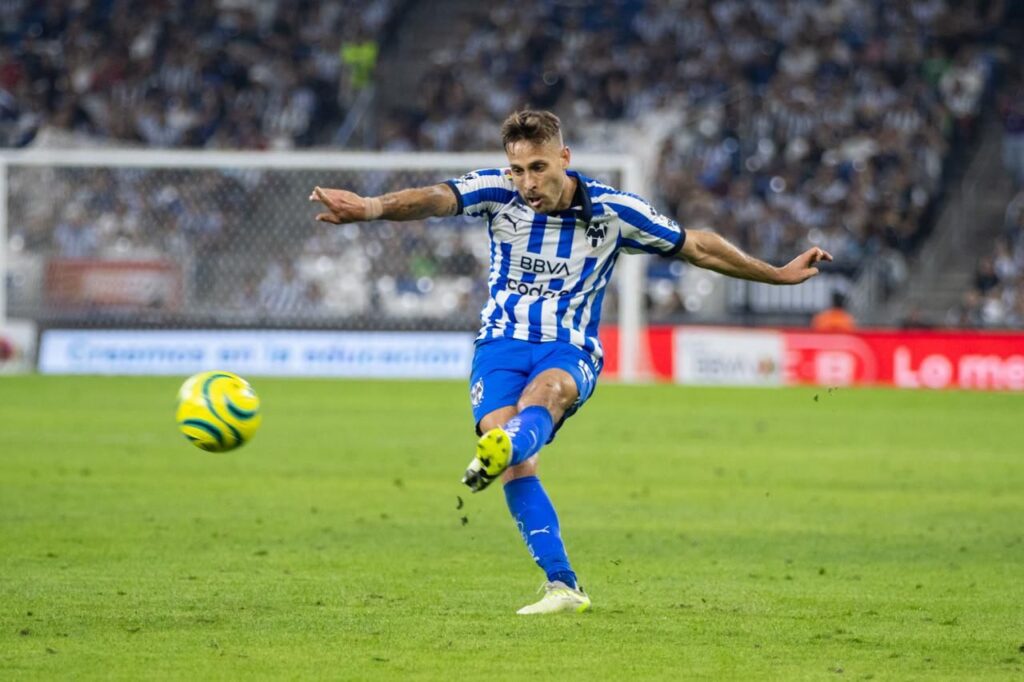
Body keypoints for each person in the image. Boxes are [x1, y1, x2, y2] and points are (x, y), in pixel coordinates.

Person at [309, 110, 832, 615]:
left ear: (564, 157)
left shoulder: (614, 210)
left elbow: (697, 246)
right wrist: (371, 208)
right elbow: (434, 198)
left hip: (569, 347)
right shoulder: (496, 192)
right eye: (518, 170)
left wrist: (777, 274)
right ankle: (562, 585)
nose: (527, 182)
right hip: (501, 345)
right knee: (512, 454)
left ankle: (509, 445)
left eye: (538, 168)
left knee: (548, 396)